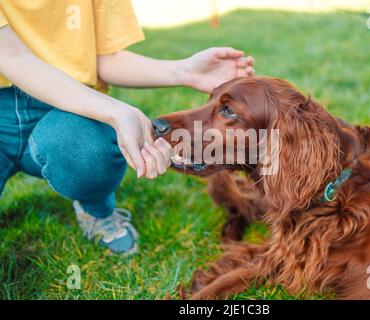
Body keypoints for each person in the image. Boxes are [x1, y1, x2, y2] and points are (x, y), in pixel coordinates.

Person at [0, 0, 254, 255]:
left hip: (68, 110)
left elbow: (102, 57)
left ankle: (97, 210)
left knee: (83, 145)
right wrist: (114, 110)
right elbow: (9, 54)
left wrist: (182, 71)